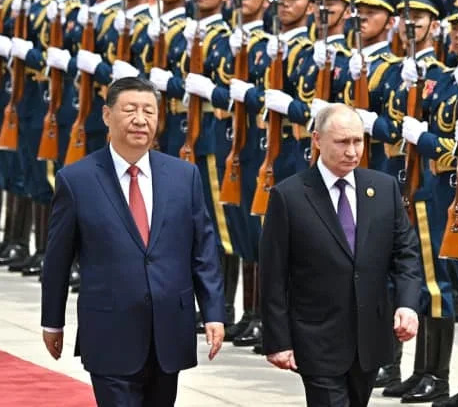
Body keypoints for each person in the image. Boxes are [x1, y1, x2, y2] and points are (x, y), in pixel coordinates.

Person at [40, 77, 226, 407]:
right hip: (109, 329)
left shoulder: (184, 177)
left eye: (149, 111)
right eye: (129, 110)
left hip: (169, 331)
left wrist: (213, 312)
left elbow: (204, 251)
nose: (140, 120)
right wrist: (52, 321)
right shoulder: (77, 180)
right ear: (107, 115)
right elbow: (57, 260)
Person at [259, 103, 422, 407]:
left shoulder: (383, 188)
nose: (352, 151)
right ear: (317, 141)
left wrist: (408, 304)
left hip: (369, 339)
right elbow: (273, 275)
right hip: (316, 338)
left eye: (357, 141)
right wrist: (278, 341)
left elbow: (406, 253)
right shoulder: (289, 196)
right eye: (342, 142)